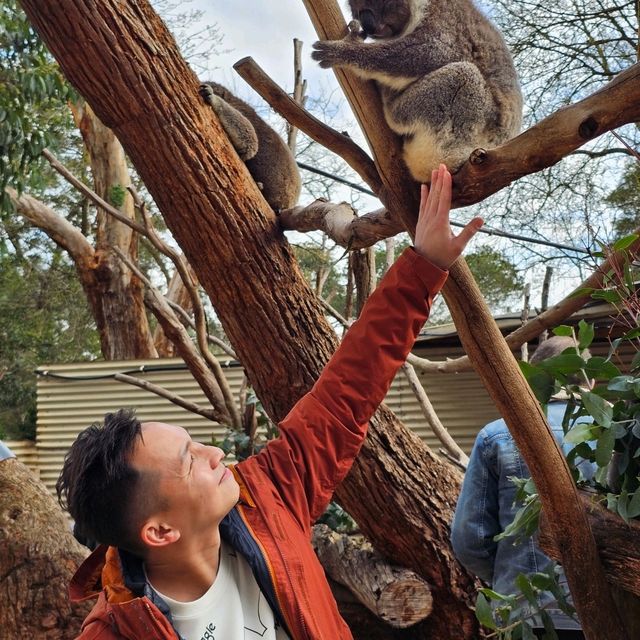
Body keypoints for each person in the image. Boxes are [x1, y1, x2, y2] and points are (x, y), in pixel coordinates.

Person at [57, 164, 483, 640]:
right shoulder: (117, 633)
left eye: (195, 442)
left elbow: (345, 394)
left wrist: (424, 265)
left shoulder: (269, 497)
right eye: (189, 460)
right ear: (159, 533)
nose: (216, 453)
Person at [451, 336, 594, 640]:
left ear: (531, 379)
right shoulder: (616, 432)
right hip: (608, 614)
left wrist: (509, 575)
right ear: (591, 381)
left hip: (525, 616)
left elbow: (469, 538)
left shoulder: (497, 436)